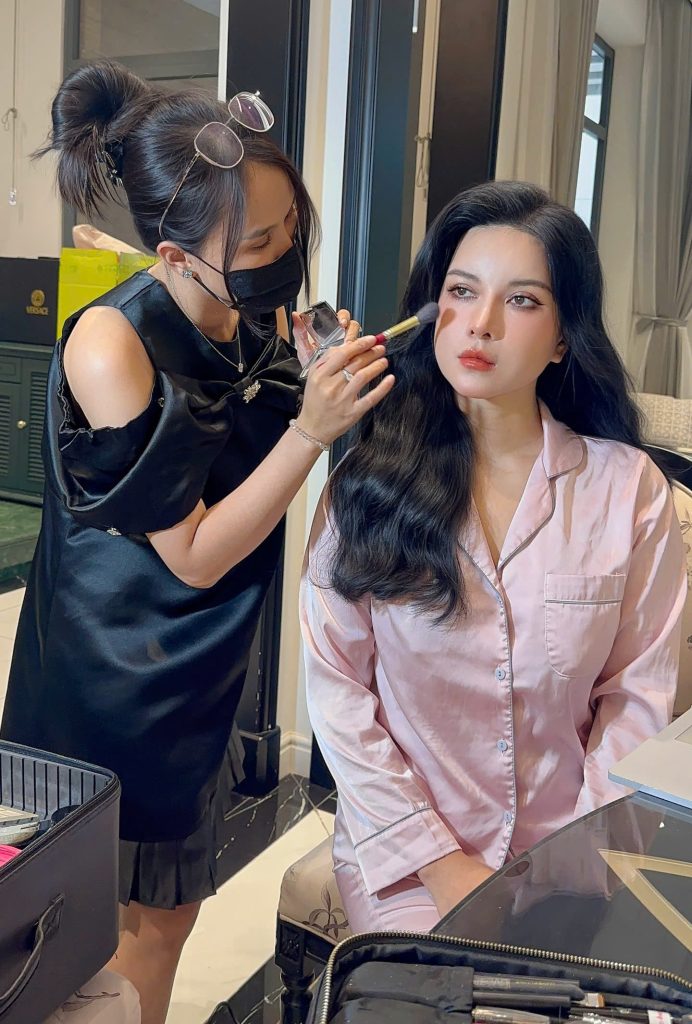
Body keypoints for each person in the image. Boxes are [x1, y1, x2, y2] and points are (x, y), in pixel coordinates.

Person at [0, 61, 393, 1024]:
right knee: (105, 930)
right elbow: (193, 552)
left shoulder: (243, 314)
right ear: (175, 256)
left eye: (289, 228)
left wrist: (307, 375)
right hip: (116, 671)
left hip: (204, 656)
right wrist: (311, 429)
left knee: (169, 917)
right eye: (257, 241)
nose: (282, 254)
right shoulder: (110, 345)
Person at [300, 180, 686, 934]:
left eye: (522, 301)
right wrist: (442, 868)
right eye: (461, 291)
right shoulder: (366, 488)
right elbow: (338, 693)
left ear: (564, 337)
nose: (480, 323)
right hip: (408, 867)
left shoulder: (627, 490)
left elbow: (637, 696)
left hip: (578, 858)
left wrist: (573, 864)